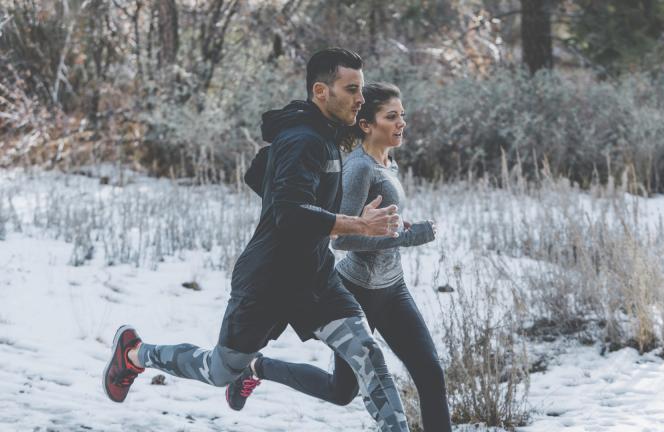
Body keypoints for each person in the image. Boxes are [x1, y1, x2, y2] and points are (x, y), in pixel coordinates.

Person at [102, 48, 410, 432]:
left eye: (361, 90)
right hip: (267, 282)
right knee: (218, 370)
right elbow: (290, 213)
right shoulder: (303, 139)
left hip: (315, 278)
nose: (361, 99)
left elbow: (258, 174)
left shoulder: (322, 131)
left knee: (367, 354)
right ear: (321, 91)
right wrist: (357, 225)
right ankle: (134, 354)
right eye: (352, 90)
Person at [251, 82, 452, 431]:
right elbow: (341, 239)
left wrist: (396, 224)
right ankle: (257, 368)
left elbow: (378, 221)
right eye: (391, 117)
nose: (401, 123)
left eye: (402, 115)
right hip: (356, 291)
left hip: (394, 288)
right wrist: (407, 236)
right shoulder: (359, 168)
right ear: (366, 125)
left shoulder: (390, 162)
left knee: (430, 374)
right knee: (342, 391)